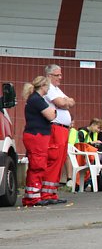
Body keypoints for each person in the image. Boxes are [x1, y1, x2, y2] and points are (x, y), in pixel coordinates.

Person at [21, 76, 57, 206]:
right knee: (38, 165)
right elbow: (50, 115)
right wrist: (55, 112)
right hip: (37, 136)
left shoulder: (34, 99)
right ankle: (33, 197)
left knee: (36, 164)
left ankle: (33, 195)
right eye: (48, 86)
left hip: (35, 135)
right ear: (43, 86)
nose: (48, 89)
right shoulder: (37, 99)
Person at [44, 64, 74, 204]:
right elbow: (60, 103)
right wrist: (65, 102)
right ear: (49, 76)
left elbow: (70, 102)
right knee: (54, 159)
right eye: (57, 75)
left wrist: (65, 102)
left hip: (62, 129)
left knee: (60, 160)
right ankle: (47, 193)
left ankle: (52, 193)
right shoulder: (48, 88)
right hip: (56, 128)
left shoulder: (56, 89)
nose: (60, 78)